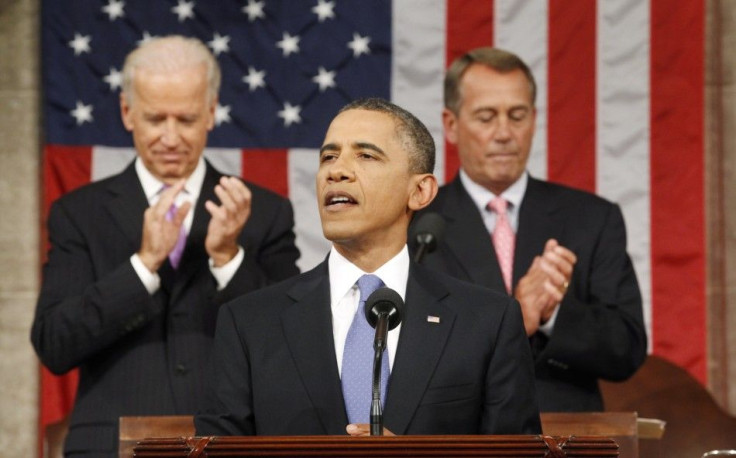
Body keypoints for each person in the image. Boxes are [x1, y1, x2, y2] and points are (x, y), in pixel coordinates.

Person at [194, 97, 541, 437]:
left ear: (420, 191)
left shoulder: (487, 322)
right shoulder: (249, 323)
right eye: (328, 156)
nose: (336, 171)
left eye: (365, 155)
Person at [31, 35, 300, 456]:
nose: (171, 138)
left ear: (211, 113)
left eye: (187, 119)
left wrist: (228, 257)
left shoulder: (264, 212)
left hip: (230, 445)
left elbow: (293, 346)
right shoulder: (78, 213)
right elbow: (54, 344)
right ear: (127, 112)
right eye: (156, 119)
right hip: (108, 446)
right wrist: (144, 265)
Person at [410, 47, 647, 412]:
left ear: (534, 120)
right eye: (486, 117)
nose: (504, 133)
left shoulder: (591, 218)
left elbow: (626, 348)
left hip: (565, 438)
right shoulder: (417, 223)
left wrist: (553, 315)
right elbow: (399, 348)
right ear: (451, 125)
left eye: (517, 116)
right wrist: (516, 318)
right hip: (456, 434)